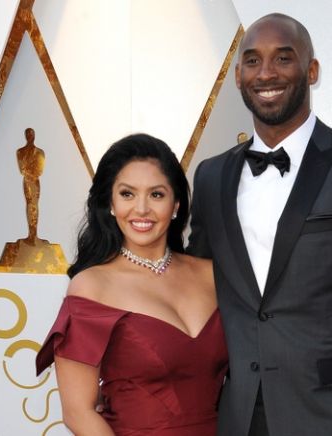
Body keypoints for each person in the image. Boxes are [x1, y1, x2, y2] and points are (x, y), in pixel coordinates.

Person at [187, 13, 332, 436]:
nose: (266, 73)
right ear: (237, 76)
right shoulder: (211, 177)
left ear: (311, 71)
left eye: (283, 58)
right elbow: (192, 287)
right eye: (252, 61)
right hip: (237, 418)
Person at [36, 134, 228, 436]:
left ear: (176, 204)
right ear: (111, 204)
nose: (141, 209)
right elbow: (78, 413)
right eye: (127, 194)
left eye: (156, 195)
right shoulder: (92, 286)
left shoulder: (212, 275)